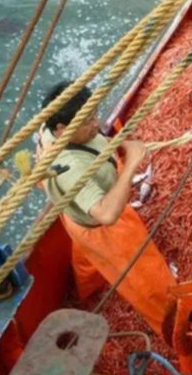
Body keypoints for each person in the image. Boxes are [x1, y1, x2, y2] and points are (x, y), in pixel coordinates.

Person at [37, 81, 176, 338]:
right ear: (61, 129)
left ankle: (87, 288)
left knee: (87, 260)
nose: (97, 124)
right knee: (148, 282)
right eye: (87, 121)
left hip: (75, 216)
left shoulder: (48, 129)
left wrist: (118, 147)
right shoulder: (70, 167)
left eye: (95, 114)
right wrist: (131, 163)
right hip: (102, 229)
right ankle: (174, 328)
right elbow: (107, 214)